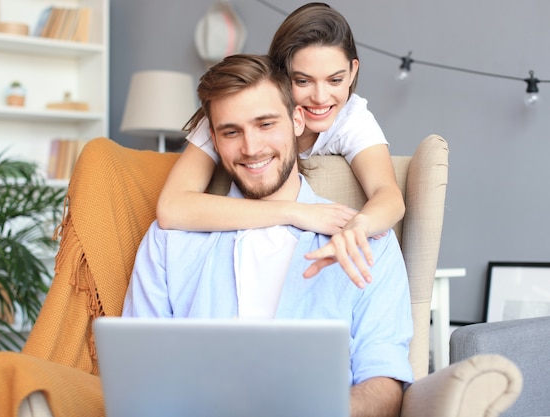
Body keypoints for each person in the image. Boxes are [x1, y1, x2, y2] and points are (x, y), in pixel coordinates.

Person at [123, 54, 413, 417]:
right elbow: (140, 373)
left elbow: (384, 380)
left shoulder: (367, 240)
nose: (251, 148)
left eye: (265, 124)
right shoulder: (169, 242)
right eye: (231, 132)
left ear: (296, 120)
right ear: (213, 138)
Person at [156, 2, 404, 288]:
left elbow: (388, 195)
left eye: (335, 79)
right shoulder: (237, 109)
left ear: (352, 71)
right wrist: (296, 211)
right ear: (282, 76)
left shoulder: (351, 118)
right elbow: (172, 207)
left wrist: (358, 227)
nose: (321, 97)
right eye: (303, 81)